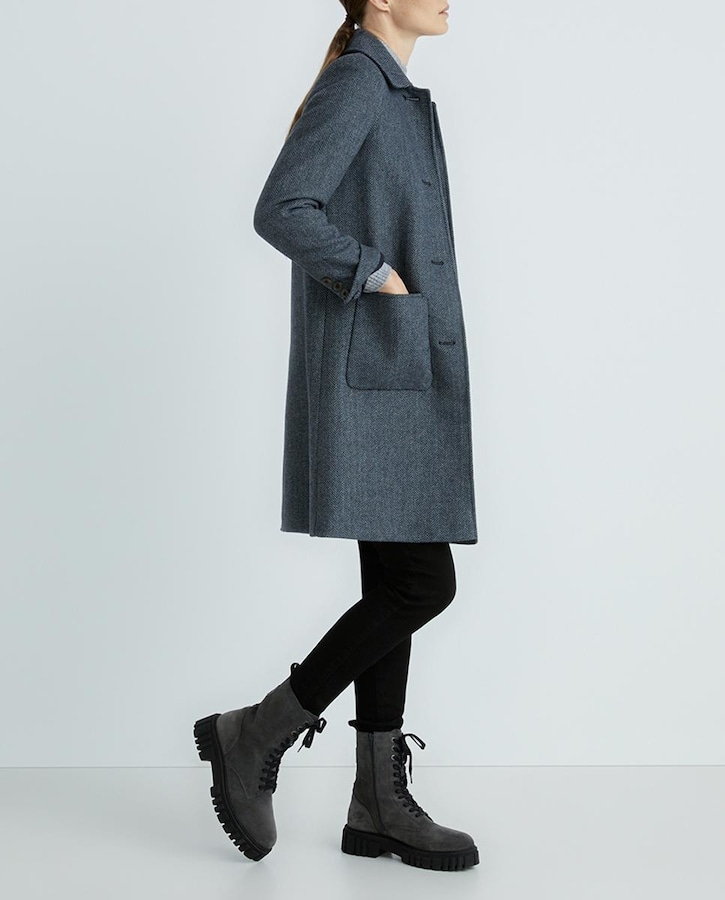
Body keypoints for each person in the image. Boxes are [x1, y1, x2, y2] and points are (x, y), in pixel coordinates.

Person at [194, 0, 480, 872]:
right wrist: (374, 274)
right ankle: (257, 730)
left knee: (395, 579)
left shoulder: (385, 87)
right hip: (375, 367)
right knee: (422, 583)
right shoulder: (358, 81)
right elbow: (282, 208)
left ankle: (374, 805)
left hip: (390, 364)